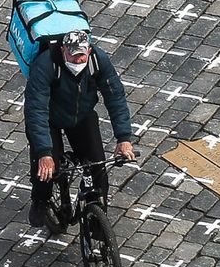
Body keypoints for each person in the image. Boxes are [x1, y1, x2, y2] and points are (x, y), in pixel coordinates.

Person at [24, 29, 136, 228]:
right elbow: (36, 110)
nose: (77, 61)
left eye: (81, 56)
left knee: (98, 169)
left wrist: (124, 138)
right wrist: (44, 153)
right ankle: (40, 200)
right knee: (46, 171)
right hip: (49, 119)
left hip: (82, 116)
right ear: (63, 50)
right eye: (73, 56)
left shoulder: (98, 61)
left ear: (89, 51)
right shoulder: (45, 65)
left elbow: (115, 97)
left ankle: (97, 224)